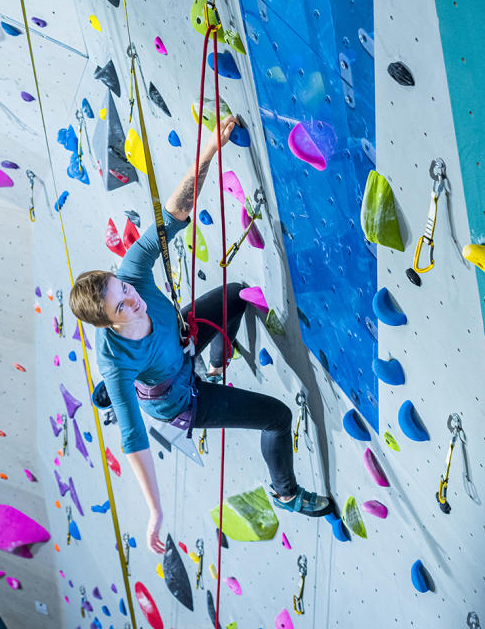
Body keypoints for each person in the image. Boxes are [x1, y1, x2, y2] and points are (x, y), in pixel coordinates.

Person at [69, 114, 334, 555]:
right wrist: (154, 511)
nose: (133, 298)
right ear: (108, 323)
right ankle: (286, 494)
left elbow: (174, 212)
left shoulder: (131, 273)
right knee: (278, 416)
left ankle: (212, 360)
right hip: (181, 399)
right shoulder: (116, 361)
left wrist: (209, 149)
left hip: (178, 342)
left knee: (234, 295)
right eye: (122, 305)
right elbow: (133, 440)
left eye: (126, 290)